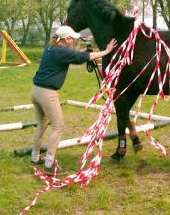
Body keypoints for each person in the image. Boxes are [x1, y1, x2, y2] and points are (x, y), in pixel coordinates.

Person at [30, 26, 117, 175]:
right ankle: (49, 164)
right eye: (71, 38)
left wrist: (87, 53)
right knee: (58, 126)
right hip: (47, 93)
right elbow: (84, 57)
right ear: (65, 39)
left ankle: (35, 157)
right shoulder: (63, 51)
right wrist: (107, 51)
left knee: (42, 125)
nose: (74, 40)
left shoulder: (51, 48)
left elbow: (77, 55)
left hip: (35, 91)